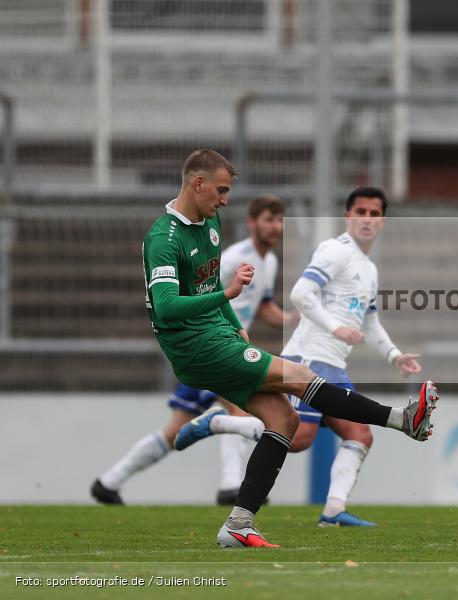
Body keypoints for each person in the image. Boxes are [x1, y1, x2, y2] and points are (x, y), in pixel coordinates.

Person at [138, 149, 437, 548]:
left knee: (285, 422)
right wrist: (228, 294)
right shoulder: (164, 238)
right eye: (221, 190)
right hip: (194, 347)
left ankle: (238, 525)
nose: (225, 200)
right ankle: (402, 419)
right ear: (198, 183)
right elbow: (167, 307)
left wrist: (233, 326)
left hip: (218, 338)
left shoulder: (210, 225)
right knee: (301, 378)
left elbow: (209, 290)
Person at [177, 187, 421, 527]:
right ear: (348, 216)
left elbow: (370, 321)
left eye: (374, 213)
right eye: (361, 212)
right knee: (300, 437)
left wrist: (395, 356)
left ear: (382, 220)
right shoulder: (335, 251)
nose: (367, 219)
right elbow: (300, 293)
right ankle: (218, 422)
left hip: (334, 362)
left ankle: (333, 512)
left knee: (359, 436)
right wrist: (335, 327)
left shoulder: (369, 269)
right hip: (310, 357)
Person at [90, 195, 297, 506]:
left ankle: (109, 482)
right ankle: (231, 486)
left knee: (177, 430)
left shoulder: (268, 261)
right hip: (210, 346)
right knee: (238, 411)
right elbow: (208, 294)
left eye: (280, 220)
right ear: (251, 223)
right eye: (268, 219)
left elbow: (263, 306)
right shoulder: (232, 258)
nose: (275, 227)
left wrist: (295, 318)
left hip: (229, 346)